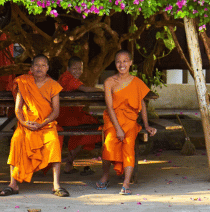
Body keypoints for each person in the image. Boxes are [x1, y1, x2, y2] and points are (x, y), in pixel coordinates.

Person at [0, 54, 69, 197]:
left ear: (48, 68)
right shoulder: (24, 82)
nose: (40, 68)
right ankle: (13, 184)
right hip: (27, 124)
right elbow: (18, 108)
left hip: (46, 124)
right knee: (16, 140)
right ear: (31, 68)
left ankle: (56, 185)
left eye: (43, 65)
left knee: (54, 142)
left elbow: (56, 111)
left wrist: (42, 123)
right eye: (37, 65)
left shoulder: (53, 85)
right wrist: (24, 122)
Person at [96, 50, 157, 195]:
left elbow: (142, 105)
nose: (121, 64)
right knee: (109, 145)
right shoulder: (109, 82)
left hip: (130, 122)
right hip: (113, 121)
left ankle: (126, 183)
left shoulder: (137, 82)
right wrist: (118, 129)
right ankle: (105, 175)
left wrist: (147, 125)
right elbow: (110, 107)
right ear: (115, 63)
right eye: (118, 61)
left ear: (130, 63)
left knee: (129, 147)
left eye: (125, 61)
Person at [57, 56, 103, 174]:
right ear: (68, 68)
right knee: (94, 126)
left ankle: (69, 163)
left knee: (90, 125)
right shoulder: (68, 78)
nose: (78, 71)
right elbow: (86, 90)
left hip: (69, 115)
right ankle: (69, 160)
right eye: (75, 68)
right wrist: (104, 90)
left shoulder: (68, 77)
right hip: (65, 116)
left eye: (80, 68)